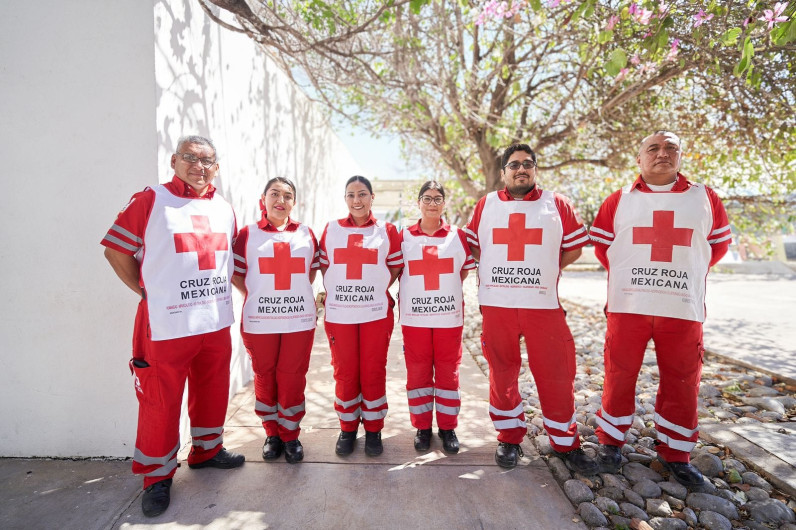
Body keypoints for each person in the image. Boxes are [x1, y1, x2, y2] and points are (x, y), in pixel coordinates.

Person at [101, 135, 244, 518]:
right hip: (166, 324)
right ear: (173, 160)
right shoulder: (150, 199)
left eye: (207, 160)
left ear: (216, 167)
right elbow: (116, 251)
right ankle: (157, 476)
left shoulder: (225, 208)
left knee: (212, 387)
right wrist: (146, 293)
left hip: (213, 320)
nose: (199, 166)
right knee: (160, 401)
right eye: (190, 158)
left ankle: (207, 449)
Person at [590, 131, 730, 486]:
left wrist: (681, 273)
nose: (662, 153)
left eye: (671, 148)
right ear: (639, 159)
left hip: (681, 306)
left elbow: (717, 246)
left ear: (681, 156)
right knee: (619, 373)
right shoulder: (618, 200)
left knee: (683, 378)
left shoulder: (705, 197)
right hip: (629, 304)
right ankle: (610, 443)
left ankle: (676, 453)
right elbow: (604, 249)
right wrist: (637, 276)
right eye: (653, 148)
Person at [464, 143, 598, 473]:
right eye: (514, 165)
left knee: (556, 372)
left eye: (528, 163)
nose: (521, 169)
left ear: (535, 169)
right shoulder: (486, 204)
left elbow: (573, 249)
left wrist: (544, 271)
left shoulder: (558, 204)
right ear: (503, 173)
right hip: (498, 306)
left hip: (542, 305)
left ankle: (565, 442)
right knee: (502, 373)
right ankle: (509, 438)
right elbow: (475, 248)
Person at [231, 177, 319, 464]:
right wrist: (259, 294)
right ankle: (272, 433)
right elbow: (239, 274)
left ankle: (291, 435)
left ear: (294, 202)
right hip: (260, 320)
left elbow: (309, 274)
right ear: (264, 199)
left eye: (287, 195)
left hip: (298, 320)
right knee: (265, 375)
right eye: (274, 194)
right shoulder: (247, 234)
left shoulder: (307, 234)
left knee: (292, 377)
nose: (281, 200)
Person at [318, 176, 402, 457]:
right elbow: (325, 266)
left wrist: (373, 288)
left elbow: (394, 267)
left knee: (373, 370)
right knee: (345, 371)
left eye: (363, 194)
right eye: (351, 195)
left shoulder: (387, 230)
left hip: (375, 313)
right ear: (345, 199)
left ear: (372, 197)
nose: (357, 200)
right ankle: (348, 428)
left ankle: (374, 430)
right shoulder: (331, 230)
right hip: (340, 314)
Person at [398, 181, 476, 453]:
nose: (432, 203)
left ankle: (447, 427)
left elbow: (461, 271)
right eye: (427, 198)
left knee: (448, 372)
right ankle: (422, 427)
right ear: (418, 203)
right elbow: (398, 271)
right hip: (415, 318)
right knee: (418, 372)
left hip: (448, 318)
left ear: (444, 204)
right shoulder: (404, 236)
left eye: (437, 198)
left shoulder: (457, 235)